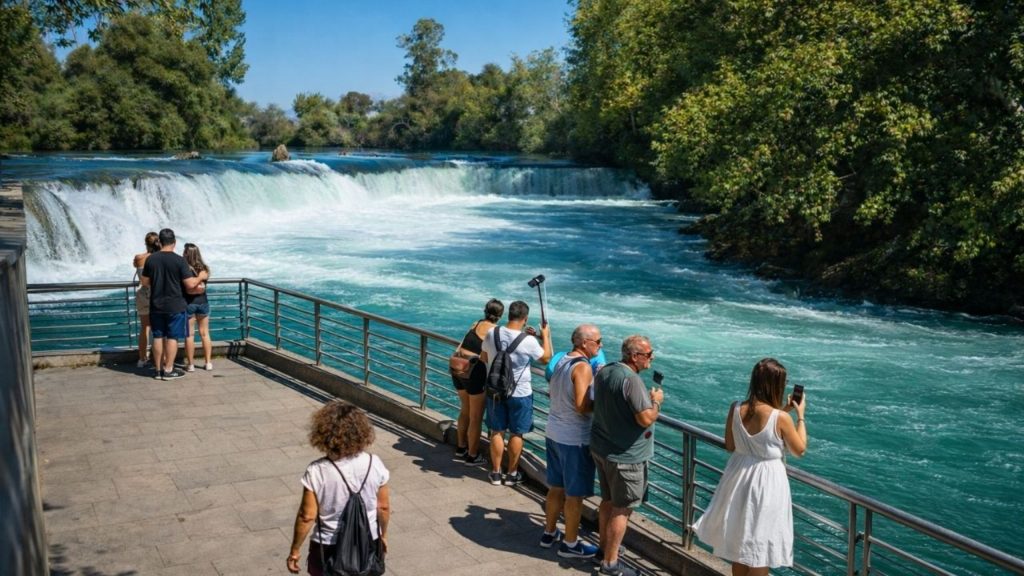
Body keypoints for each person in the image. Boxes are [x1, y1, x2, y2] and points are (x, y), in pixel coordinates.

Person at [692, 358, 807, 576]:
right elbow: (799, 450)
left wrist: (781, 413)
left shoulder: (736, 408)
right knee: (759, 546)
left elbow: (730, 444)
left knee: (741, 545)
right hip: (766, 483)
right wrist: (800, 417)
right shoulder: (781, 418)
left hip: (738, 476)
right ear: (776, 384)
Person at [287, 400, 390, 575]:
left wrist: (294, 551)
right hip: (368, 539)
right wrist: (383, 536)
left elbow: (307, 516)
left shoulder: (317, 470)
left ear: (323, 433)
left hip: (327, 544)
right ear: (362, 432)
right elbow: (383, 507)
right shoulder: (375, 463)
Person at [590, 335, 664, 576]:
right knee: (622, 509)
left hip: (603, 449)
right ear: (634, 356)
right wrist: (656, 403)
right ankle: (610, 564)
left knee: (608, 501)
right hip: (625, 457)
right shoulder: (631, 380)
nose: (651, 358)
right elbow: (644, 418)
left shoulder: (606, 370)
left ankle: (603, 549)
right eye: (648, 354)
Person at [540, 324, 602, 559]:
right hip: (574, 438)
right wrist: (603, 406)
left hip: (554, 432)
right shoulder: (582, 367)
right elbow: (581, 406)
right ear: (585, 343)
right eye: (598, 340)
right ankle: (570, 544)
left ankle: (549, 532)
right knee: (574, 496)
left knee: (556, 488)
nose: (601, 345)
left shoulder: (562, 361)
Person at [479, 300, 552, 486]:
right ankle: (511, 474)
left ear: (509, 315)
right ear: (525, 319)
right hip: (520, 393)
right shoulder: (528, 341)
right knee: (517, 434)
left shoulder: (491, 332)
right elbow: (546, 359)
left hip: (495, 390)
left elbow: (484, 357)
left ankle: (495, 473)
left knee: (497, 431)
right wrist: (545, 336)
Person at [140, 228, 206, 381]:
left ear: (160, 242)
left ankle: (157, 370)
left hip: (156, 304)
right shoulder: (179, 260)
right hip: (175, 305)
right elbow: (190, 285)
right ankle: (168, 370)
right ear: (174, 243)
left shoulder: (151, 259)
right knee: (172, 337)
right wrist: (200, 277)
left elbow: (144, 282)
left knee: (157, 336)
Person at [451, 298, 504, 466]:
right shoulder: (496, 331)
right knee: (476, 417)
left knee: (465, 410)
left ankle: (461, 448)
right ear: (500, 315)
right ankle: (472, 456)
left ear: (485, 311)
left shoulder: (476, 323)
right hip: (474, 372)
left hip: (458, 367)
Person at [182, 243, 213, 372]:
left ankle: (190, 365)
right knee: (205, 333)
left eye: (184, 251)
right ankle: (208, 362)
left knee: (189, 335)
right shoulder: (205, 268)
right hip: (203, 302)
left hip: (189, 303)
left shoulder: (184, 268)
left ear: (187, 254)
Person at [132, 232, 160, 369]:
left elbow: (134, 265)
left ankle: (142, 359)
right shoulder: (159, 258)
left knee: (144, 328)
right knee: (158, 329)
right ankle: (157, 359)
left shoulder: (139, 258)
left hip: (142, 294)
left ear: (146, 243)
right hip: (157, 294)